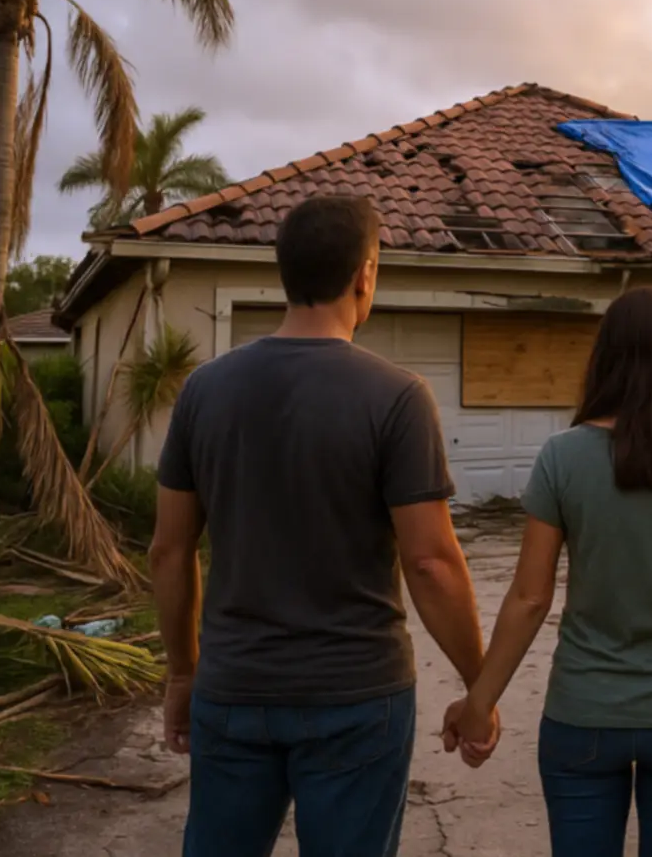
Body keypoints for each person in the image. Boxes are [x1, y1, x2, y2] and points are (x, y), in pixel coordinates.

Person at [150, 195, 493, 857]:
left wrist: (183, 674)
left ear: (284, 271)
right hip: (357, 698)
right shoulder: (397, 397)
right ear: (366, 273)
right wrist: (479, 685)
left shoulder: (205, 390)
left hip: (233, 689)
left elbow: (169, 551)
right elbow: (431, 563)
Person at [444, 285, 652, 857]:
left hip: (584, 715)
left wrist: (479, 703)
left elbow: (528, 598)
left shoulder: (562, 457)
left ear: (605, 358)